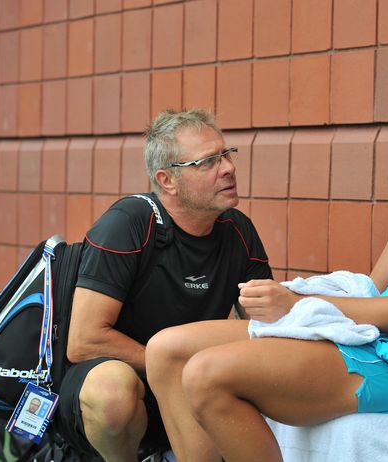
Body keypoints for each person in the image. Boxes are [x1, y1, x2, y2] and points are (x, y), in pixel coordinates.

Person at [145, 49, 388, 462]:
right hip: (374, 338)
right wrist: (302, 306)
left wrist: (300, 304)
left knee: (207, 375)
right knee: (166, 350)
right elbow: (376, 287)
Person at [55, 109, 273, 462]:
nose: (229, 168)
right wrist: (173, 365)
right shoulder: (129, 223)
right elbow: (84, 342)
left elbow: (262, 330)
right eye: (208, 162)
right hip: (118, 383)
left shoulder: (238, 230)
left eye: (227, 154)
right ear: (167, 180)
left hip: (187, 385)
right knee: (113, 390)